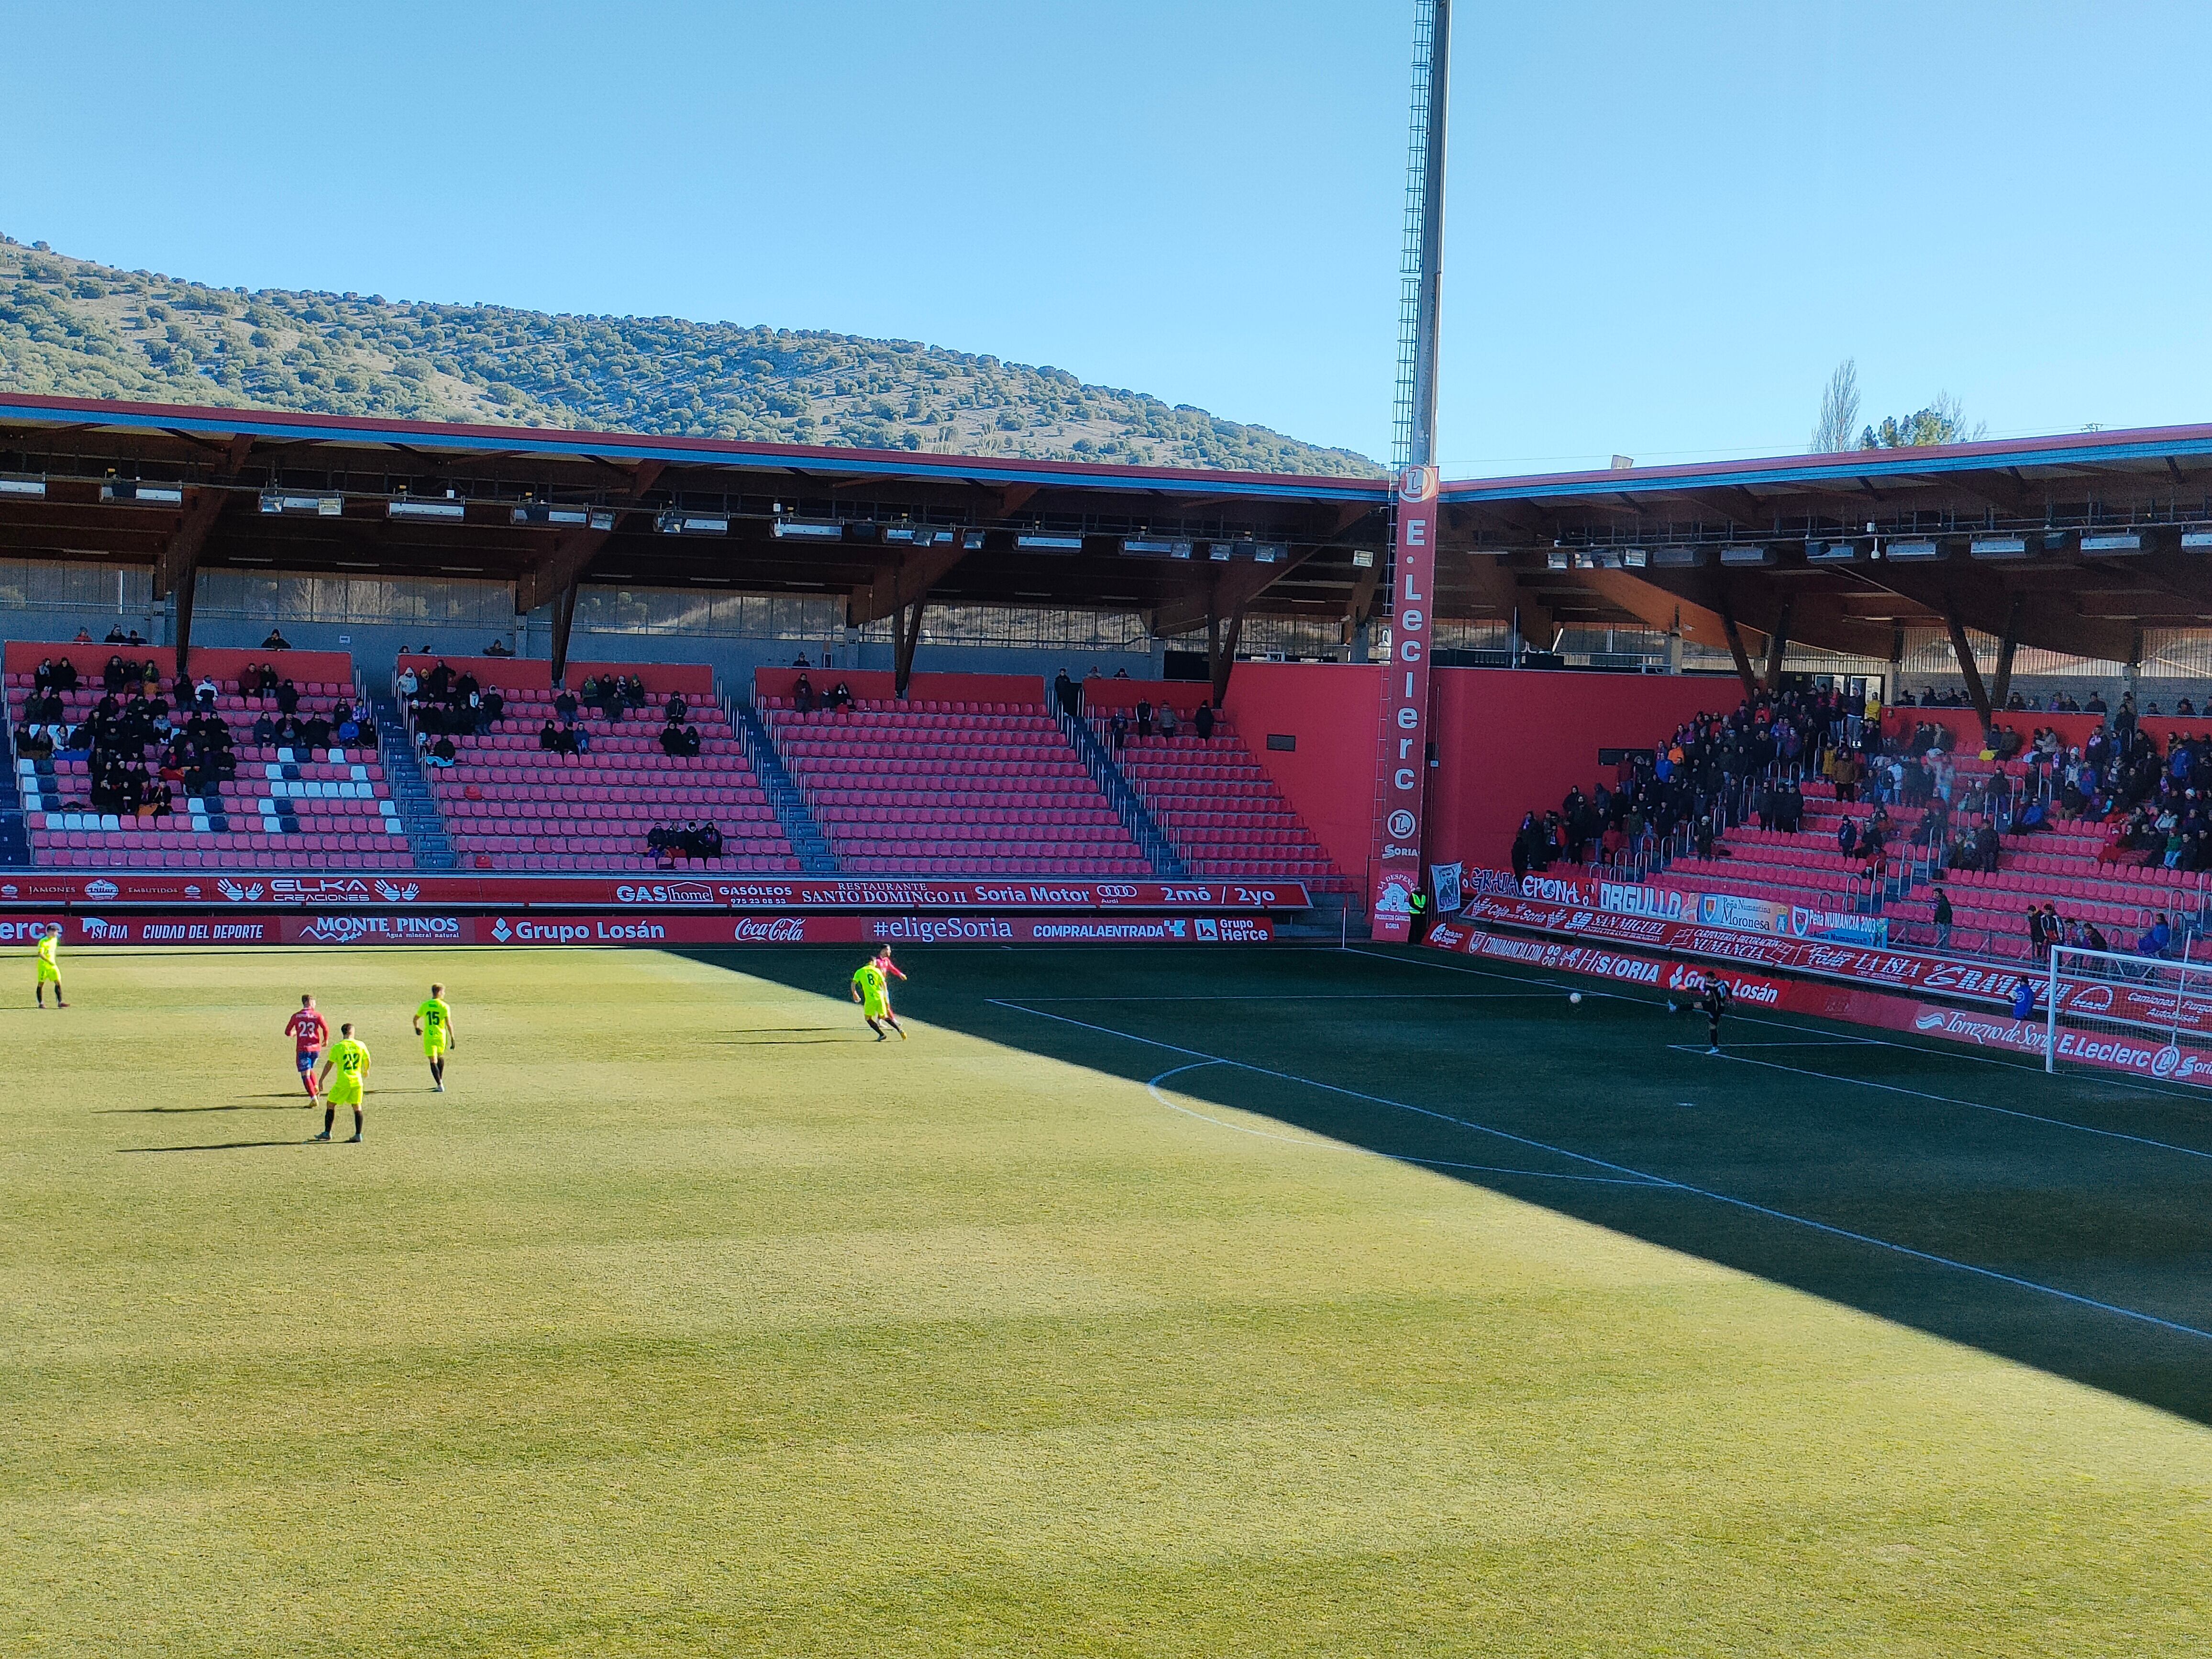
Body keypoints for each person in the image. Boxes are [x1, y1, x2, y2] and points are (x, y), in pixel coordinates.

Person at [312, 1023, 371, 1143]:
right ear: (350, 1032)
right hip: (357, 1082)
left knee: (331, 1104)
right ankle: (358, 1134)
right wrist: (366, 1070)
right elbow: (368, 1060)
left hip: (344, 1081)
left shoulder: (338, 1047)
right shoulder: (360, 1045)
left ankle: (327, 1133)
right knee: (357, 1107)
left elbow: (329, 1064)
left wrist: (321, 1079)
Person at [285, 993, 330, 1102]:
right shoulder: (318, 1015)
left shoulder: (296, 1016)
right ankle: (315, 1086)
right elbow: (326, 1029)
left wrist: (295, 1033)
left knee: (305, 1073)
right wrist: (326, 1040)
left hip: (303, 1049)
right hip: (316, 1049)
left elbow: (287, 1032)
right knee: (309, 1069)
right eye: (314, 1003)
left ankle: (313, 1098)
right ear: (310, 1002)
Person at [413, 983, 457, 1092]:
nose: (444, 994)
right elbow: (449, 1023)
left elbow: (415, 1019)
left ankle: (439, 1084)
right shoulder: (444, 1006)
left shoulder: (425, 1005)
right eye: (443, 992)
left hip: (429, 1036)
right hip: (441, 1036)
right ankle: (440, 1080)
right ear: (439, 992)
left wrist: (417, 1028)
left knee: (433, 1060)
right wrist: (452, 1037)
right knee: (440, 1056)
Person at [851, 954, 905, 1041]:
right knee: (884, 1016)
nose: (876, 964)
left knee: (868, 1018)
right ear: (872, 962)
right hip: (880, 997)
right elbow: (884, 984)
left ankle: (882, 1034)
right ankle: (900, 1031)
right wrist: (886, 996)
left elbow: (854, 983)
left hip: (870, 999)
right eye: (875, 962)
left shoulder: (860, 971)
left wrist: (855, 993)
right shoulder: (877, 971)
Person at [34, 926, 66, 1008]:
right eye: (55, 932)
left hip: (53, 966)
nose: (57, 934)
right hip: (44, 966)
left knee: (58, 982)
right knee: (41, 984)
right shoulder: (43, 941)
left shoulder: (55, 940)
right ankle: (41, 1003)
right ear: (49, 932)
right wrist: (48, 961)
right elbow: (40, 954)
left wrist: (52, 962)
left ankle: (60, 1002)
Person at [1701, 974, 1733, 1055]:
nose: (1706, 980)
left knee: (1712, 1027)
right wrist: (1731, 999)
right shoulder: (1722, 983)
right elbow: (1729, 990)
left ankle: (1715, 1047)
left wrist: (1684, 988)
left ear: (1710, 978)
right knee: (1713, 1026)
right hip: (1720, 1007)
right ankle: (1714, 1047)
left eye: (1707, 978)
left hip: (1716, 1008)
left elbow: (1706, 993)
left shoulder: (1712, 986)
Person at [1931, 884, 1953, 952]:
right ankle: (1940, 951)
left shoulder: (1944, 903)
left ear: (1940, 894)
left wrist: (1945, 922)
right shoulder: (1940, 902)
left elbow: (1949, 913)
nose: (1935, 895)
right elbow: (1937, 913)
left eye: (1936, 893)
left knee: (1945, 938)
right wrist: (1935, 920)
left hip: (1945, 923)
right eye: (1934, 893)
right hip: (1941, 922)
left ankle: (1945, 952)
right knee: (1941, 937)